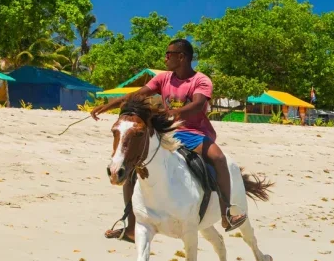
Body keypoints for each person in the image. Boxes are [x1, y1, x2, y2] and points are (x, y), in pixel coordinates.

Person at [92, 39, 247, 243]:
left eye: (169, 54)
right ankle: (130, 227)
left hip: (194, 133)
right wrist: (109, 105)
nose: (165, 58)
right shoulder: (163, 78)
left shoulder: (201, 80)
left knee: (218, 158)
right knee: (131, 164)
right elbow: (137, 94)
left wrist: (171, 113)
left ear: (181, 57)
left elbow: (198, 105)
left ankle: (226, 214)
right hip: (166, 132)